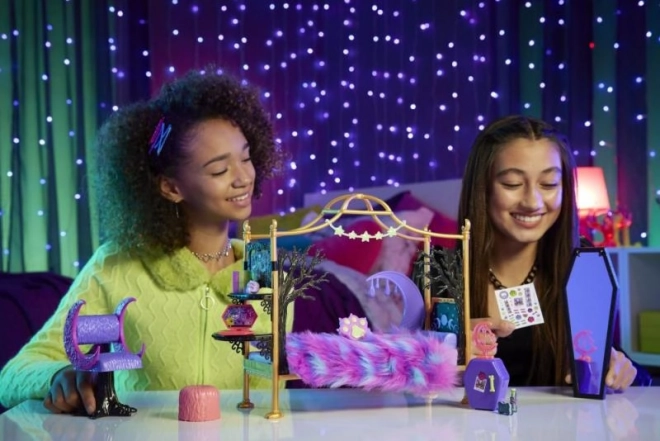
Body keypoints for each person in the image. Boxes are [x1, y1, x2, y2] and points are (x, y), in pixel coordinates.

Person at [0, 69, 289, 414]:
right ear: (171, 187)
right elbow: (13, 376)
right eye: (219, 170)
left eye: (246, 158)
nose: (243, 178)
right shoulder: (116, 267)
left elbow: (271, 397)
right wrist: (58, 376)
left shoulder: (269, 273)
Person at [421, 115, 648, 389]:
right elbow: (405, 376)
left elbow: (617, 363)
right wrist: (447, 353)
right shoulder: (438, 269)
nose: (532, 202)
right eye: (512, 184)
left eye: (549, 184)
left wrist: (621, 370)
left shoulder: (585, 262)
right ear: (482, 189)